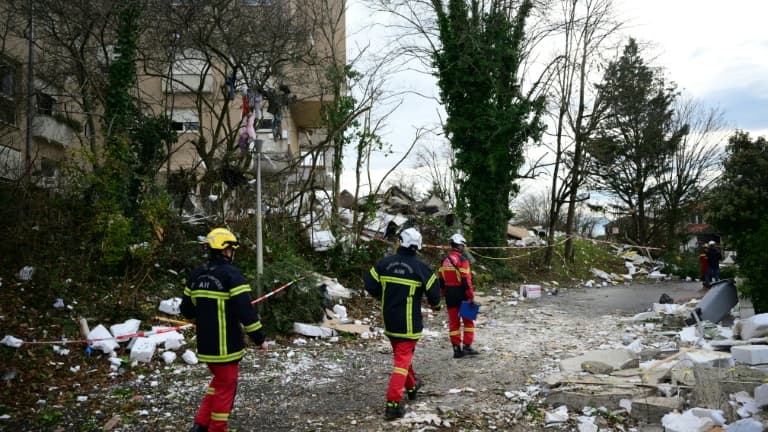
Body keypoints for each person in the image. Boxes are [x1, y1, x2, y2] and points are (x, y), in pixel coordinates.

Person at [181, 228, 269, 432]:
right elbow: (246, 312)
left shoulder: (196, 275)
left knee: (219, 383)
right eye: (231, 249)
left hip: (205, 346)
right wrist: (260, 339)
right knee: (226, 389)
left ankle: (200, 424)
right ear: (225, 250)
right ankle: (217, 428)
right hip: (227, 347)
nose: (232, 253)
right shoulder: (232, 275)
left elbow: (186, 310)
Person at [364, 227, 442, 420]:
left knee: (402, 358)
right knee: (402, 361)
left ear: (400, 242)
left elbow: (369, 283)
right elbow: (434, 295)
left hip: (390, 322)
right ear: (417, 246)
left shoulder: (384, 263)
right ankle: (393, 404)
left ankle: (413, 386)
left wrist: (383, 295)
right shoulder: (421, 268)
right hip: (409, 325)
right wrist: (437, 306)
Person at [438, 233, 479, 359]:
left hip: (450, 295)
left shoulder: (444, 261)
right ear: (460, 246)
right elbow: (466, 280)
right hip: (463, 294)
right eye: (463, 245)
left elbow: (440, 280)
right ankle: (467, 347)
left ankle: (456, 350)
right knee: (468, 321)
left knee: (454, 323)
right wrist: (471, 296)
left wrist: (443, 293)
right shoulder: (462, 260)